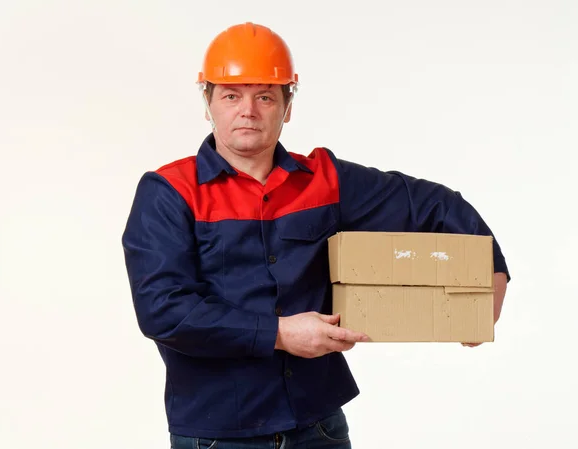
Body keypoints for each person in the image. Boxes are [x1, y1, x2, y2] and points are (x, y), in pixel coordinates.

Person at [121, 22, 511, 449]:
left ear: (287, 107)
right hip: (218, 434)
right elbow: (164, 310)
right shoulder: (170, 192)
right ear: (208, 103)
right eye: (232, 95)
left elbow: (435, 205)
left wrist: (492, 276)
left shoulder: (324, 181)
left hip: (318, 426)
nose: (247, 110)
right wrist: (281, 333)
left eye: (265, 96)